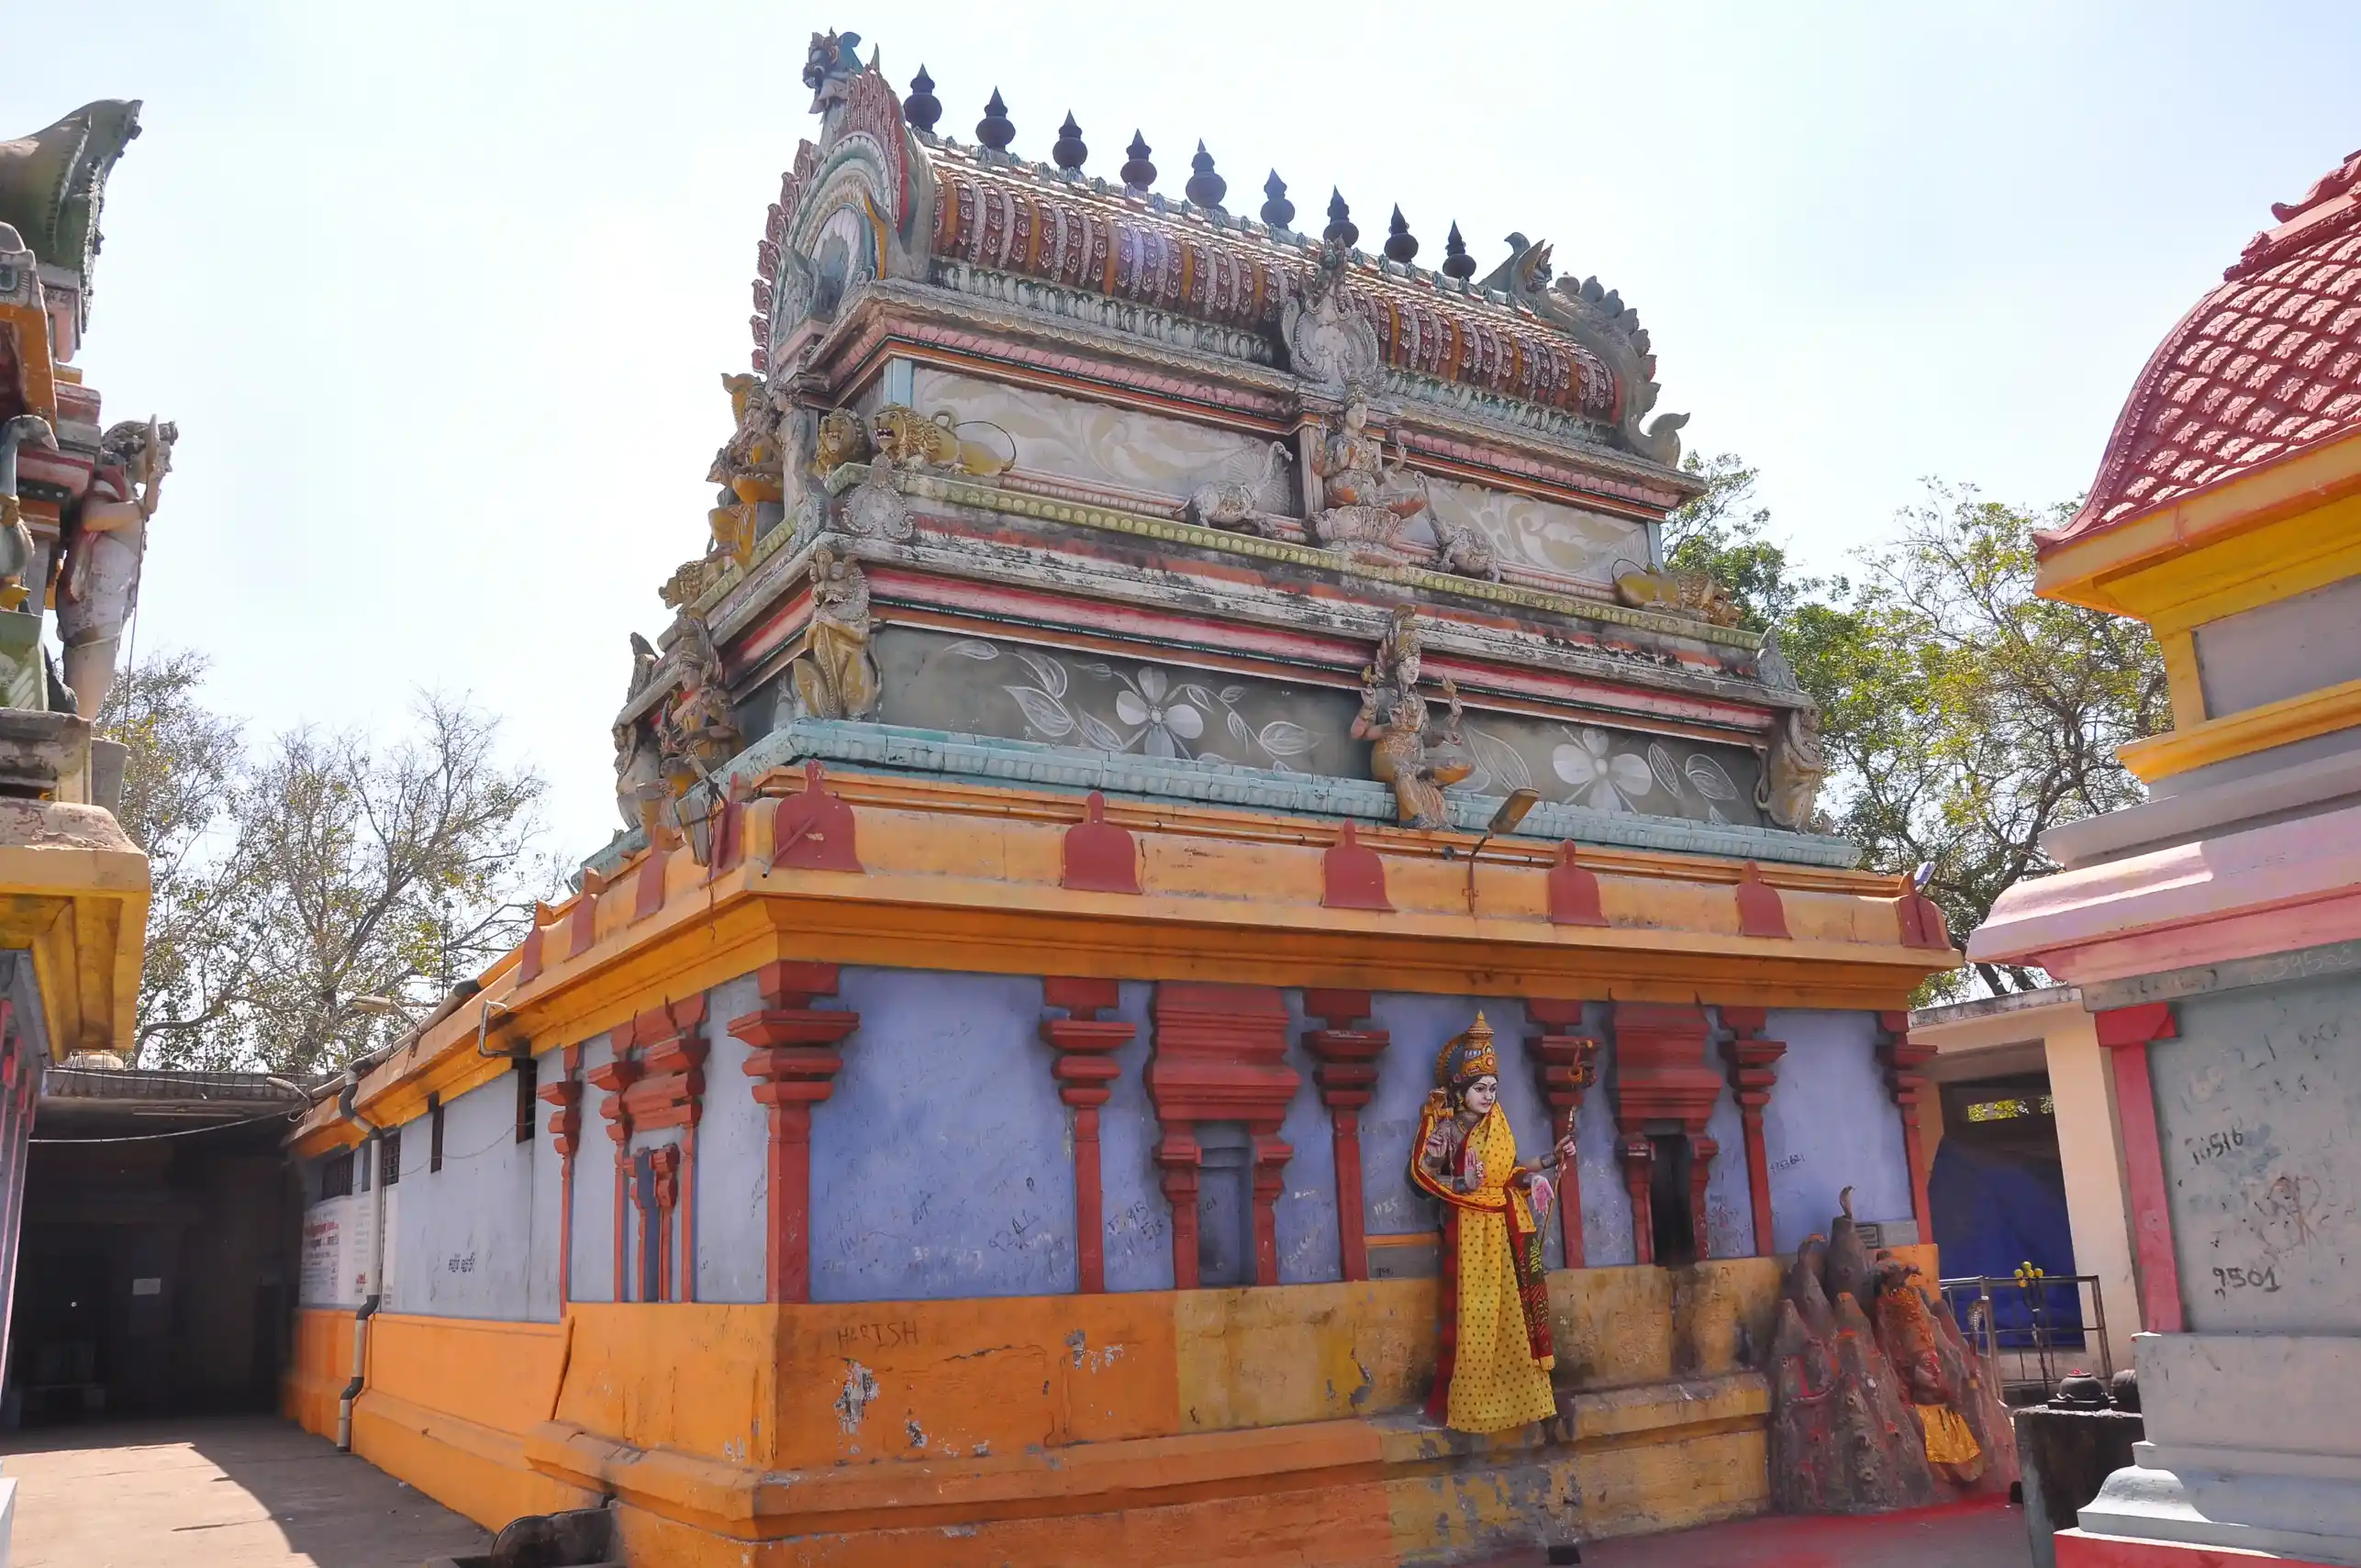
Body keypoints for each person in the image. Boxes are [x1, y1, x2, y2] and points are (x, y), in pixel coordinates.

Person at [1410, 1013, 1576, 1432]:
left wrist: (1549, 1163)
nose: (1488, 1096)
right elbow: (1422, 1176)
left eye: (1493, 1089)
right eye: (1480, 1088)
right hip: (1469, 1234)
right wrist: (1463, 1184)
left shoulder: (1497, 1126)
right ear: (1462, 1090)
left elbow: (1510, 1172)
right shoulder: (1445, 1131)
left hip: (1505, 1229)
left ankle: (1518, 1398)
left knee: (1514, 1316)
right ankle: (1472, 1402)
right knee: (1476, 1318)